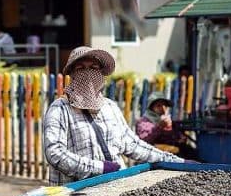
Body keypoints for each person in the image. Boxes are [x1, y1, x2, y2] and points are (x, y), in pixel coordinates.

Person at [43, 47, 194, 186]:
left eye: (94, 68)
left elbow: (134, 145)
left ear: (102, 73)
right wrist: (100, 167)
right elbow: (55, 153)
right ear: (72, 74)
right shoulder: (60, 109)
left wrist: (179, 162)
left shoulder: (110, 107)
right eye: (81, 68)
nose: (88, 73)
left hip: (114, 190)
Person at [135, 92, 196, 158]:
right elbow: (144, 141)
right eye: (159, 106)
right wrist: (160, 127)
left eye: (165, 106)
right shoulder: (144, 122)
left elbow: (176, 137)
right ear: (151, 108)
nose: (163, 109)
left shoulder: (168, 121)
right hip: (153, 157)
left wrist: (180, 137)